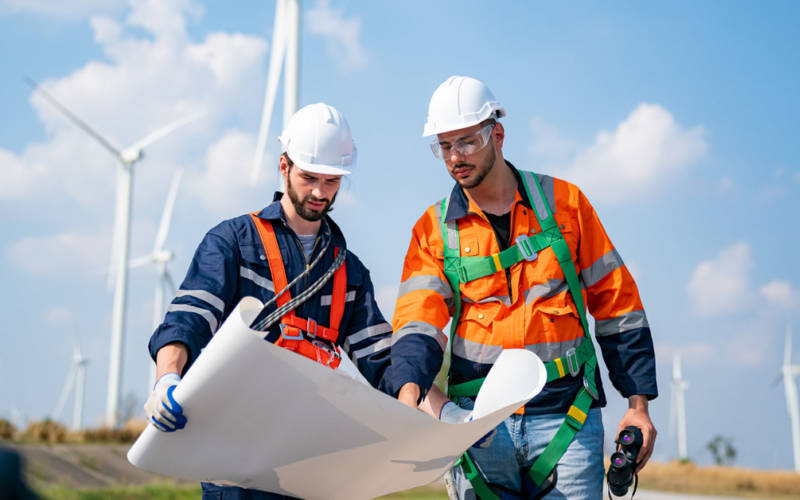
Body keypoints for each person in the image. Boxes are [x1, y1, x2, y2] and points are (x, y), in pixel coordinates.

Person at [391, 76, 658, 499]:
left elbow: (618, 305)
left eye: (466, 142)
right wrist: (407, 403)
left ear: (496, 134)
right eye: (444, 146)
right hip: (478, 431)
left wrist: (638, 408)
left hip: (567, 420)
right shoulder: (433, 229)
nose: (455, 157)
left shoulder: (565, 204)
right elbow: (417, 324)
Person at [145, 102, 393, 499]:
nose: (319, 192)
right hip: (237, 462)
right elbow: (188, 319)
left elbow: (385, 363)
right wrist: (167, 377)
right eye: (309, 177)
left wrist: (442, 418)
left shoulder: (348, 271)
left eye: (331, 181)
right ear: (284, 166)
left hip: (310, 462)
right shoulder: (232, 243)